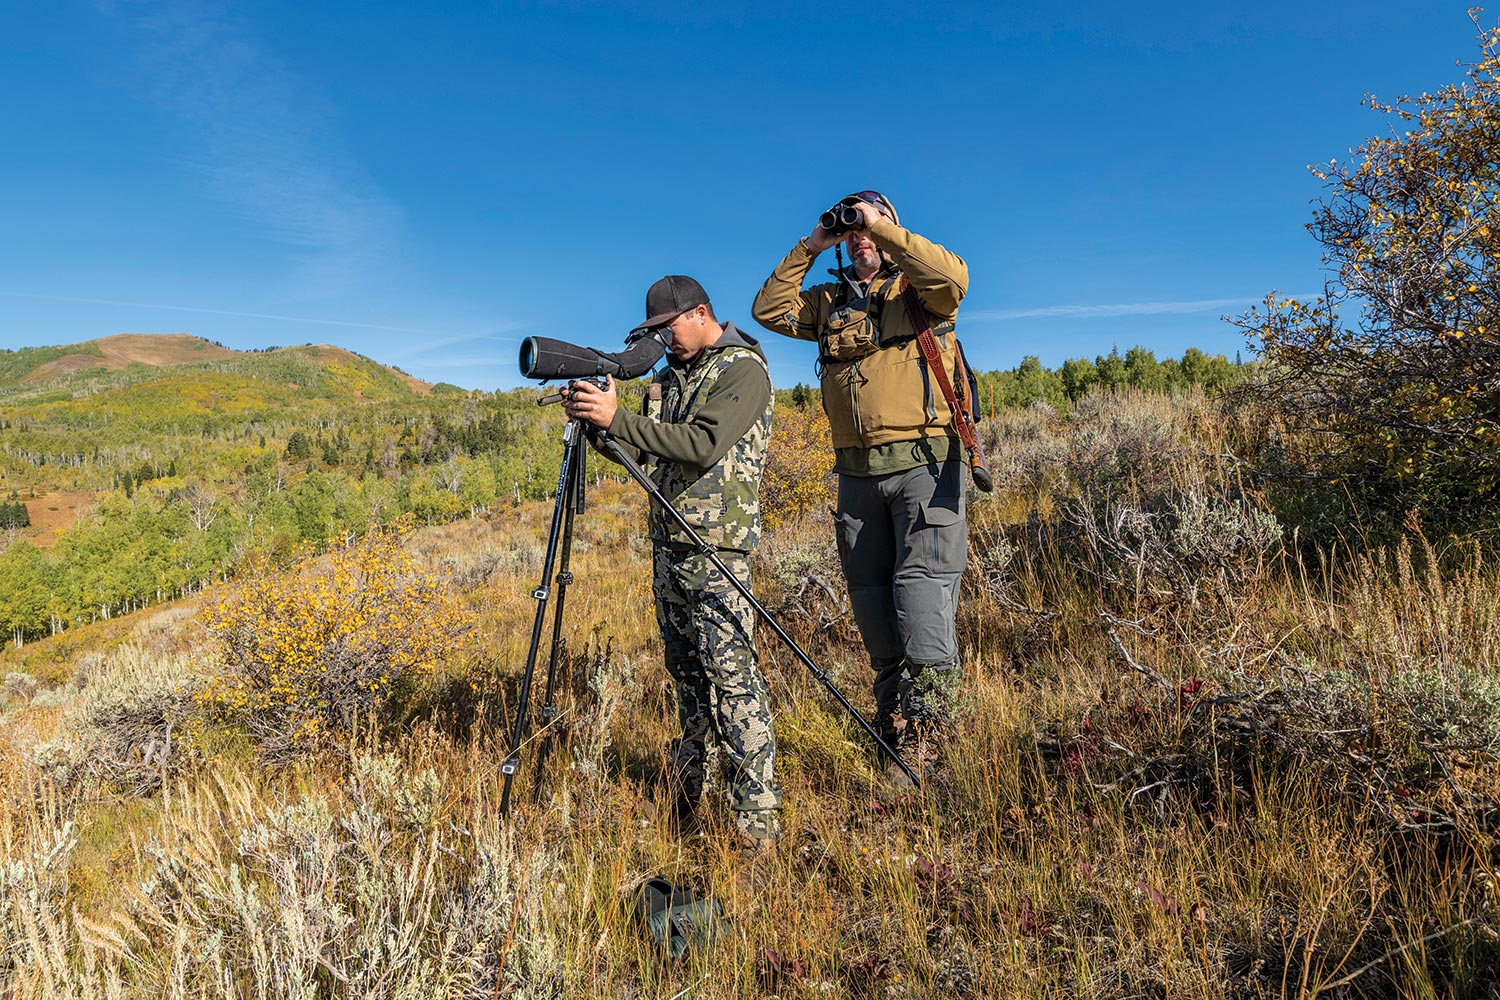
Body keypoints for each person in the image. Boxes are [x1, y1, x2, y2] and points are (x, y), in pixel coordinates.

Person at [751, 191, 970, 771]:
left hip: (926, 467)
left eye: (868, 221)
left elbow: (956, 279)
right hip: (856, 477)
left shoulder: (921, 290)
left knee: (920, 601)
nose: (859, 232)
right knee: (873, 608)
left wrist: (885, 229)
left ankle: (932, 742)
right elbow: (768, 311)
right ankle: (894, 720)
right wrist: (814, 242)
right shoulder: (829, 302)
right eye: (852, 226)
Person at [563, 274, 781, 848]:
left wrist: (619, 421)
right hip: (670, 547)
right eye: (654, 332)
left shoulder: (742, 370)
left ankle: (754, 825)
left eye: (668, 328)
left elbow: (703, 443)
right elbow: (643, 448)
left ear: (701, 312)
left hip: (718, 551)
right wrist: (599, 422)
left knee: (732, 684)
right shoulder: (667, 380)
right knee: (686, 679)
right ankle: (690, 799)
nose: (664, 342)